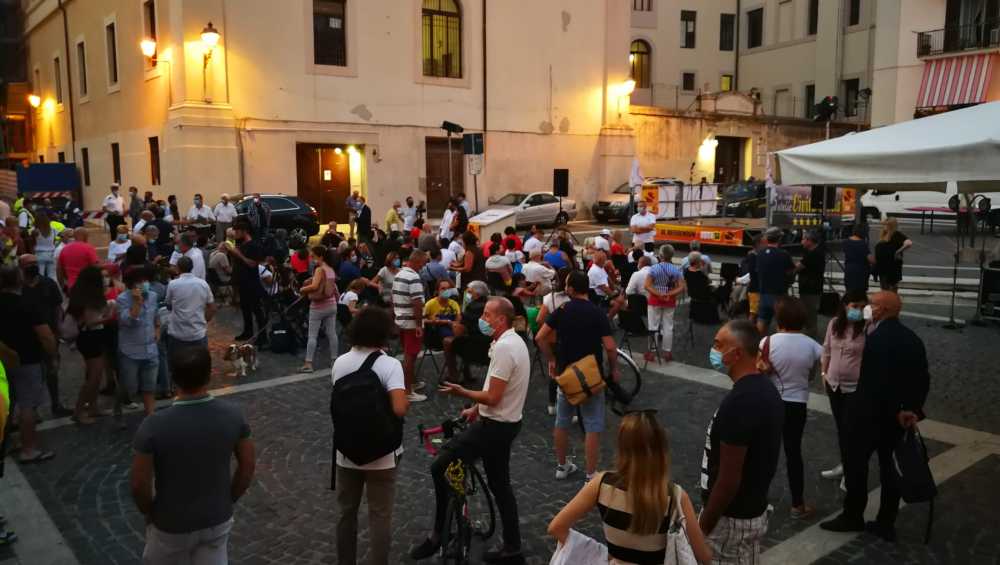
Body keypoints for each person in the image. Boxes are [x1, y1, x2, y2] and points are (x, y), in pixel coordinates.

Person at [412, 297, 530, 563]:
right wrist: (475, 408)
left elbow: (494, 396)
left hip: (494, 427)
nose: (483, 319)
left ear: (501, 319)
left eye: (487, 315)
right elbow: (497, 388)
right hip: (505, 423)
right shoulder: (512, 342)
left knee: (439, 466)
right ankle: (513, 548)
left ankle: (437, 535)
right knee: (501, 485)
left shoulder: (504, 348)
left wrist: (462, 391)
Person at [131, 346, 255, 565]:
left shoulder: (153, 425)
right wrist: (229, 499)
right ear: (209, 375)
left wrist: (150, 512)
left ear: (174, 378)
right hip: (217, 518)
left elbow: (139, 485)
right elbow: (247, 467)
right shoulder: (233, 415)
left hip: (171, 523)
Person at [820, 292, 929, 542]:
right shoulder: (912, 338)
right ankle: (885, 521)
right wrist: (912, 409)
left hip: (868, 416)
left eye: (871, 304)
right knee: (889, 469)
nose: (868, 307)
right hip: (896, 420)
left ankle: (852, 515)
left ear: (881, 310)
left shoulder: (877, 339)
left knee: (855, 465)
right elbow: (921, 378)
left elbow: (875, 383)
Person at [547, 411, 713, 565]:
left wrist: (599, 553)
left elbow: (556, 528)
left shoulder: (601, 484)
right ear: (661, 450)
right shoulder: (675, 496)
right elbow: (704, 557)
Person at [700, 320, 784, 564]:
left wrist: (704, 526)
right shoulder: (764, 390)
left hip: (730, 520)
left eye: (718, 344)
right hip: (750, 510)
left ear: (736, 354)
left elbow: (728, 478)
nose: (713, 349)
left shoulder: (740, 402)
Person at [332, 306, 409, 565]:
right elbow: (399, 408)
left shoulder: (340, 363)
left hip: (346, 450)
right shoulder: (390, 365)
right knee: (379, 515)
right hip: (382, 453)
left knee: (346, 512)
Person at [536, 271, 618, 481]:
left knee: (561, 421)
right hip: (591, 375)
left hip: (566, 374)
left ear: (571, 289)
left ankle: (562, 466)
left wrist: (552, 359)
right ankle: (591, 473)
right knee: (593, 425)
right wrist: (614, 369)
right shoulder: (597, 312)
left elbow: (540, 337)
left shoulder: (562, 309)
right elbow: (610, 347)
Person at [760, 297, 822, 519]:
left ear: (779, 318)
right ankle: (798, 504)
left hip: (771, 402)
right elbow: (818, 370)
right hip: (798, 403)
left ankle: (758, 499)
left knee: (766, 451)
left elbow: (758, 369)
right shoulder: (813, 345)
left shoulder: (767, 342)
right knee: (793, 453)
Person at [0, 265, 58, 462]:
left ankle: (7, 444)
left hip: (3, 361)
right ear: (19, 280)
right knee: (27, 406)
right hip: (28, 360)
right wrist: (53, 356)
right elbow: (46, 336)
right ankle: (29, 449)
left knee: (6, 404)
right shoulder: (27, 303)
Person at [818, 290, 868, 487]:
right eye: (855, 306)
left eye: (863, 307)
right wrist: (823, 374)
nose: (859, 310)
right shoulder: (834, 324)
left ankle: (851, 470)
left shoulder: (868, 328)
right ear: (845, 305)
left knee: (851, 431)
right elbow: (826, 349)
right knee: (841, 428)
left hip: (854, 388)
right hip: (833, 385)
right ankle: (845, 464)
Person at [19, 254, 71, 417]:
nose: (33, 266)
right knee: (31, 376)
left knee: (52, 371)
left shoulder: (48, 283)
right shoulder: (17, 286)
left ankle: (56, 404)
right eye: (29, 264)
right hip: (25, 339)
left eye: (35, 263)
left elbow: (57, 308)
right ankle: (31, 411)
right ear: (20, 266)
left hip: (49, 334)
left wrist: (58, 329)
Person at [67, 265, 115, 424]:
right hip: (90, 337)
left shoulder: (81, 294)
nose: (105, 279)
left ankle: (93, 407)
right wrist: (108, 318)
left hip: (90, 337)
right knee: (93, 377)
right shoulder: (90, 297)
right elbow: (91, 321)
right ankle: (79, 411)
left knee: (95, 375)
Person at [117, 266, 160, 418]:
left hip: (150, 349)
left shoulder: (153, 296)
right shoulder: (122, 299)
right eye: (140, 281)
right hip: (131, 351)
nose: (144, 284)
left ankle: (150, 415)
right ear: (131, 284)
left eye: (146, 280)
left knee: (149, 386)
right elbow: (129, 321)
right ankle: (119, 408)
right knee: (130, 387)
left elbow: (156, 315)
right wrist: (137, 302)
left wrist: (157, 330)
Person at [392, 249, 429, 402]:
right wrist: (419, 325)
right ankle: (407, 390)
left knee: (408, 354)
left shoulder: (399, 274)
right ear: (417, 261)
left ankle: (412, 383)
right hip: (411, 323)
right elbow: (417, 303)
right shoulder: (413, 278)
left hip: (401, 319)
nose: (424, 266)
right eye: (423, 263)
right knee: (411, 356)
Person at [225, 220, 268, 344]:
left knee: (257, 310)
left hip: (252, 283)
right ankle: (247, 331)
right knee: (245, 309)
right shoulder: (241, 244)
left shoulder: (253, 245)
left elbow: (252, 263)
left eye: (237, 231)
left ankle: (262, 336)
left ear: (244, 231)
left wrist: (235, 252)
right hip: (242, 282)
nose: (235, 233)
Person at [442, 280, 491, 384]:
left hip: (478, 346)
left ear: (477, 294)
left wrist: (454, 323)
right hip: (491, 343)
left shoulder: (472, 307)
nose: (467, 294)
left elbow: (460, 330)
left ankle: (453, 376)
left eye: (469, 292)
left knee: (448, 341)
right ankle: (466, 374)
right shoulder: (491, 304)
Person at [165, 256, 216, 353]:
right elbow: (212, 308)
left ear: (178, 268)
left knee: (176, 364)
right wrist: (204, 320)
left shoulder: (173, 284)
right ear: (192, 267)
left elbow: (168, 304)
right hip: (198, 332)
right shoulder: (203, 284)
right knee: (199, 365)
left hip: (177, 333)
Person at [644, 245, 685, 363]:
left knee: (653, 326)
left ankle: (651, 352)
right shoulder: (676, 270)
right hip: (670, 300)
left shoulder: (654, 268)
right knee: (668, 326)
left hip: (655, 300)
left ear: (660, 255)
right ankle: (667, 352)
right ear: (671, 255)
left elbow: (647, 285)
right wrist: (669, 294)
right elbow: (681, 287)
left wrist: (658, 294)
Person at [755, 227, 795, 335]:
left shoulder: (760, 253)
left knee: (762, 321)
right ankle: (779, 346)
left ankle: (759, 346)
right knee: (781, 323)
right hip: (779, 294)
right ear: (779, 239)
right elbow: (791, 272)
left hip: (763, 293)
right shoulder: (784, 254)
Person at [796, 231, 826, 339]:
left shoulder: (813, 254)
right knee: (809, 313)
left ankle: (810, 338)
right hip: (813, 287)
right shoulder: (815, 251)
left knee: (809, 314)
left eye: (803, 239)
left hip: (810, 288)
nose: (802, 241)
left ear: (809, 241)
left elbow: (798, 267)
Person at [874, 218, 912, 292]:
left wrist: (897, 252)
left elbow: (909, 243)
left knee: (891, 288)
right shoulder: (884, 235)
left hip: (892, 267)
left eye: (885, 225)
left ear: (890, 226)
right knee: (884, 288)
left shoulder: (896, 234)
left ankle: (891, 301)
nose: (883, 227)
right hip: (883, 267)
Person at [423, 279, 461, 348]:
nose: (446, 291)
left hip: (452, 331)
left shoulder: (454, 304)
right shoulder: (430, 304)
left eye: (449, 288)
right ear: (437, 291)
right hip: (436, 336)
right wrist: (438, 321)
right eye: (443, 288)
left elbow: (458, 320)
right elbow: (422, 320)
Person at [842, 224, 874, 294]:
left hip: (849, 270)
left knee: (849, 292)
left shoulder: (846, 242)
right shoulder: (862, 244)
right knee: (860, 294)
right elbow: (870, 259)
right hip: (861, 271)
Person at [31, 211, 59, 280]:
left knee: (40, 275)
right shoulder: (53, 230)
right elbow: (55, 241)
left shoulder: (35, 231)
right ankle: (53, 289)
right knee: (52, 276)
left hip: (39, 254)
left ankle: (41, 290)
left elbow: (32, 243)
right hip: (51, 253)